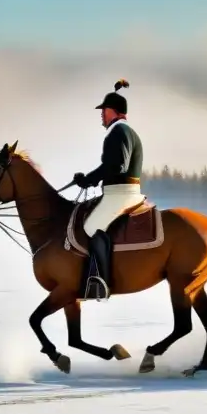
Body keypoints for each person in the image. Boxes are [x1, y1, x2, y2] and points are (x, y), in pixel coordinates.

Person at [72, 79, 145, 300]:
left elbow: (117, 165)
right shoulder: (122, 131)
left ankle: (100, 281)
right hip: (121, 191)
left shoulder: (119, 131)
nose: (101, 115)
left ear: (114, 111)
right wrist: (89, 179)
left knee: (92, 226)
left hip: (121, 193)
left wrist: (89, 180)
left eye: (103, 111)